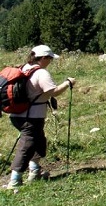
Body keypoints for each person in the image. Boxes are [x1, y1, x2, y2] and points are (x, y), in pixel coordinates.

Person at [5, 45, 76, 190]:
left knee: (38, 140)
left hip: (16, 114)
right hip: (32, 116)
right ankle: (15, 181)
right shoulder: (41, 73)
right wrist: (68, 83)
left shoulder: (23, 68)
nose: (50, 61)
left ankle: (35, 172)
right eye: (49, 58)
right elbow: (53, 92)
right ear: (43, 58)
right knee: (27, 145)